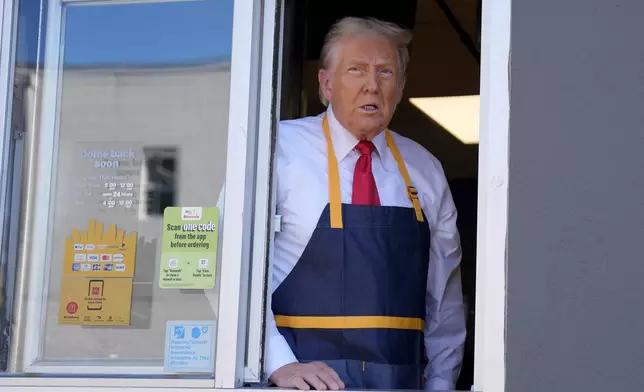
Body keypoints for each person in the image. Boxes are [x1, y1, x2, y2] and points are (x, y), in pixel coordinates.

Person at [265, 16, 466, 391]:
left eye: (385, 72)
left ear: (401, 86)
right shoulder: (275, 149)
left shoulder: (425, 168)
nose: (372, 85)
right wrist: (279, 365)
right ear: (326, 84)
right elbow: (231, 275)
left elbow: (444, 298)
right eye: (356, 70)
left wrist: (441, 382)